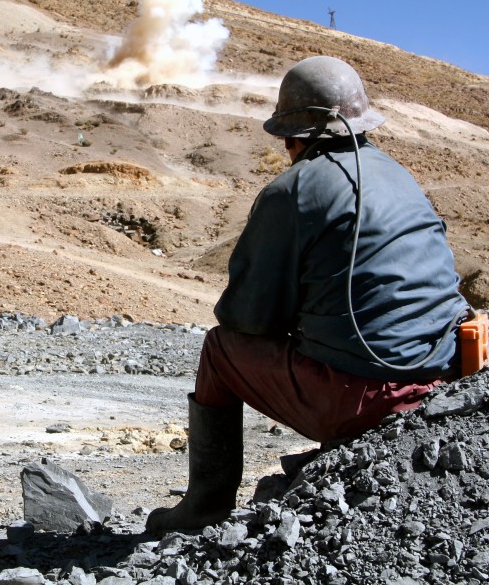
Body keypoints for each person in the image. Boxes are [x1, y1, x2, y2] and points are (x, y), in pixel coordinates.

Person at [146, 55, 470, 533]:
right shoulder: (401, 176)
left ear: (292, 137)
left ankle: (205, 505)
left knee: (220, 350)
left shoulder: (293, 191)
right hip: (445, 383)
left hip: (360, 398)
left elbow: (249, 320)